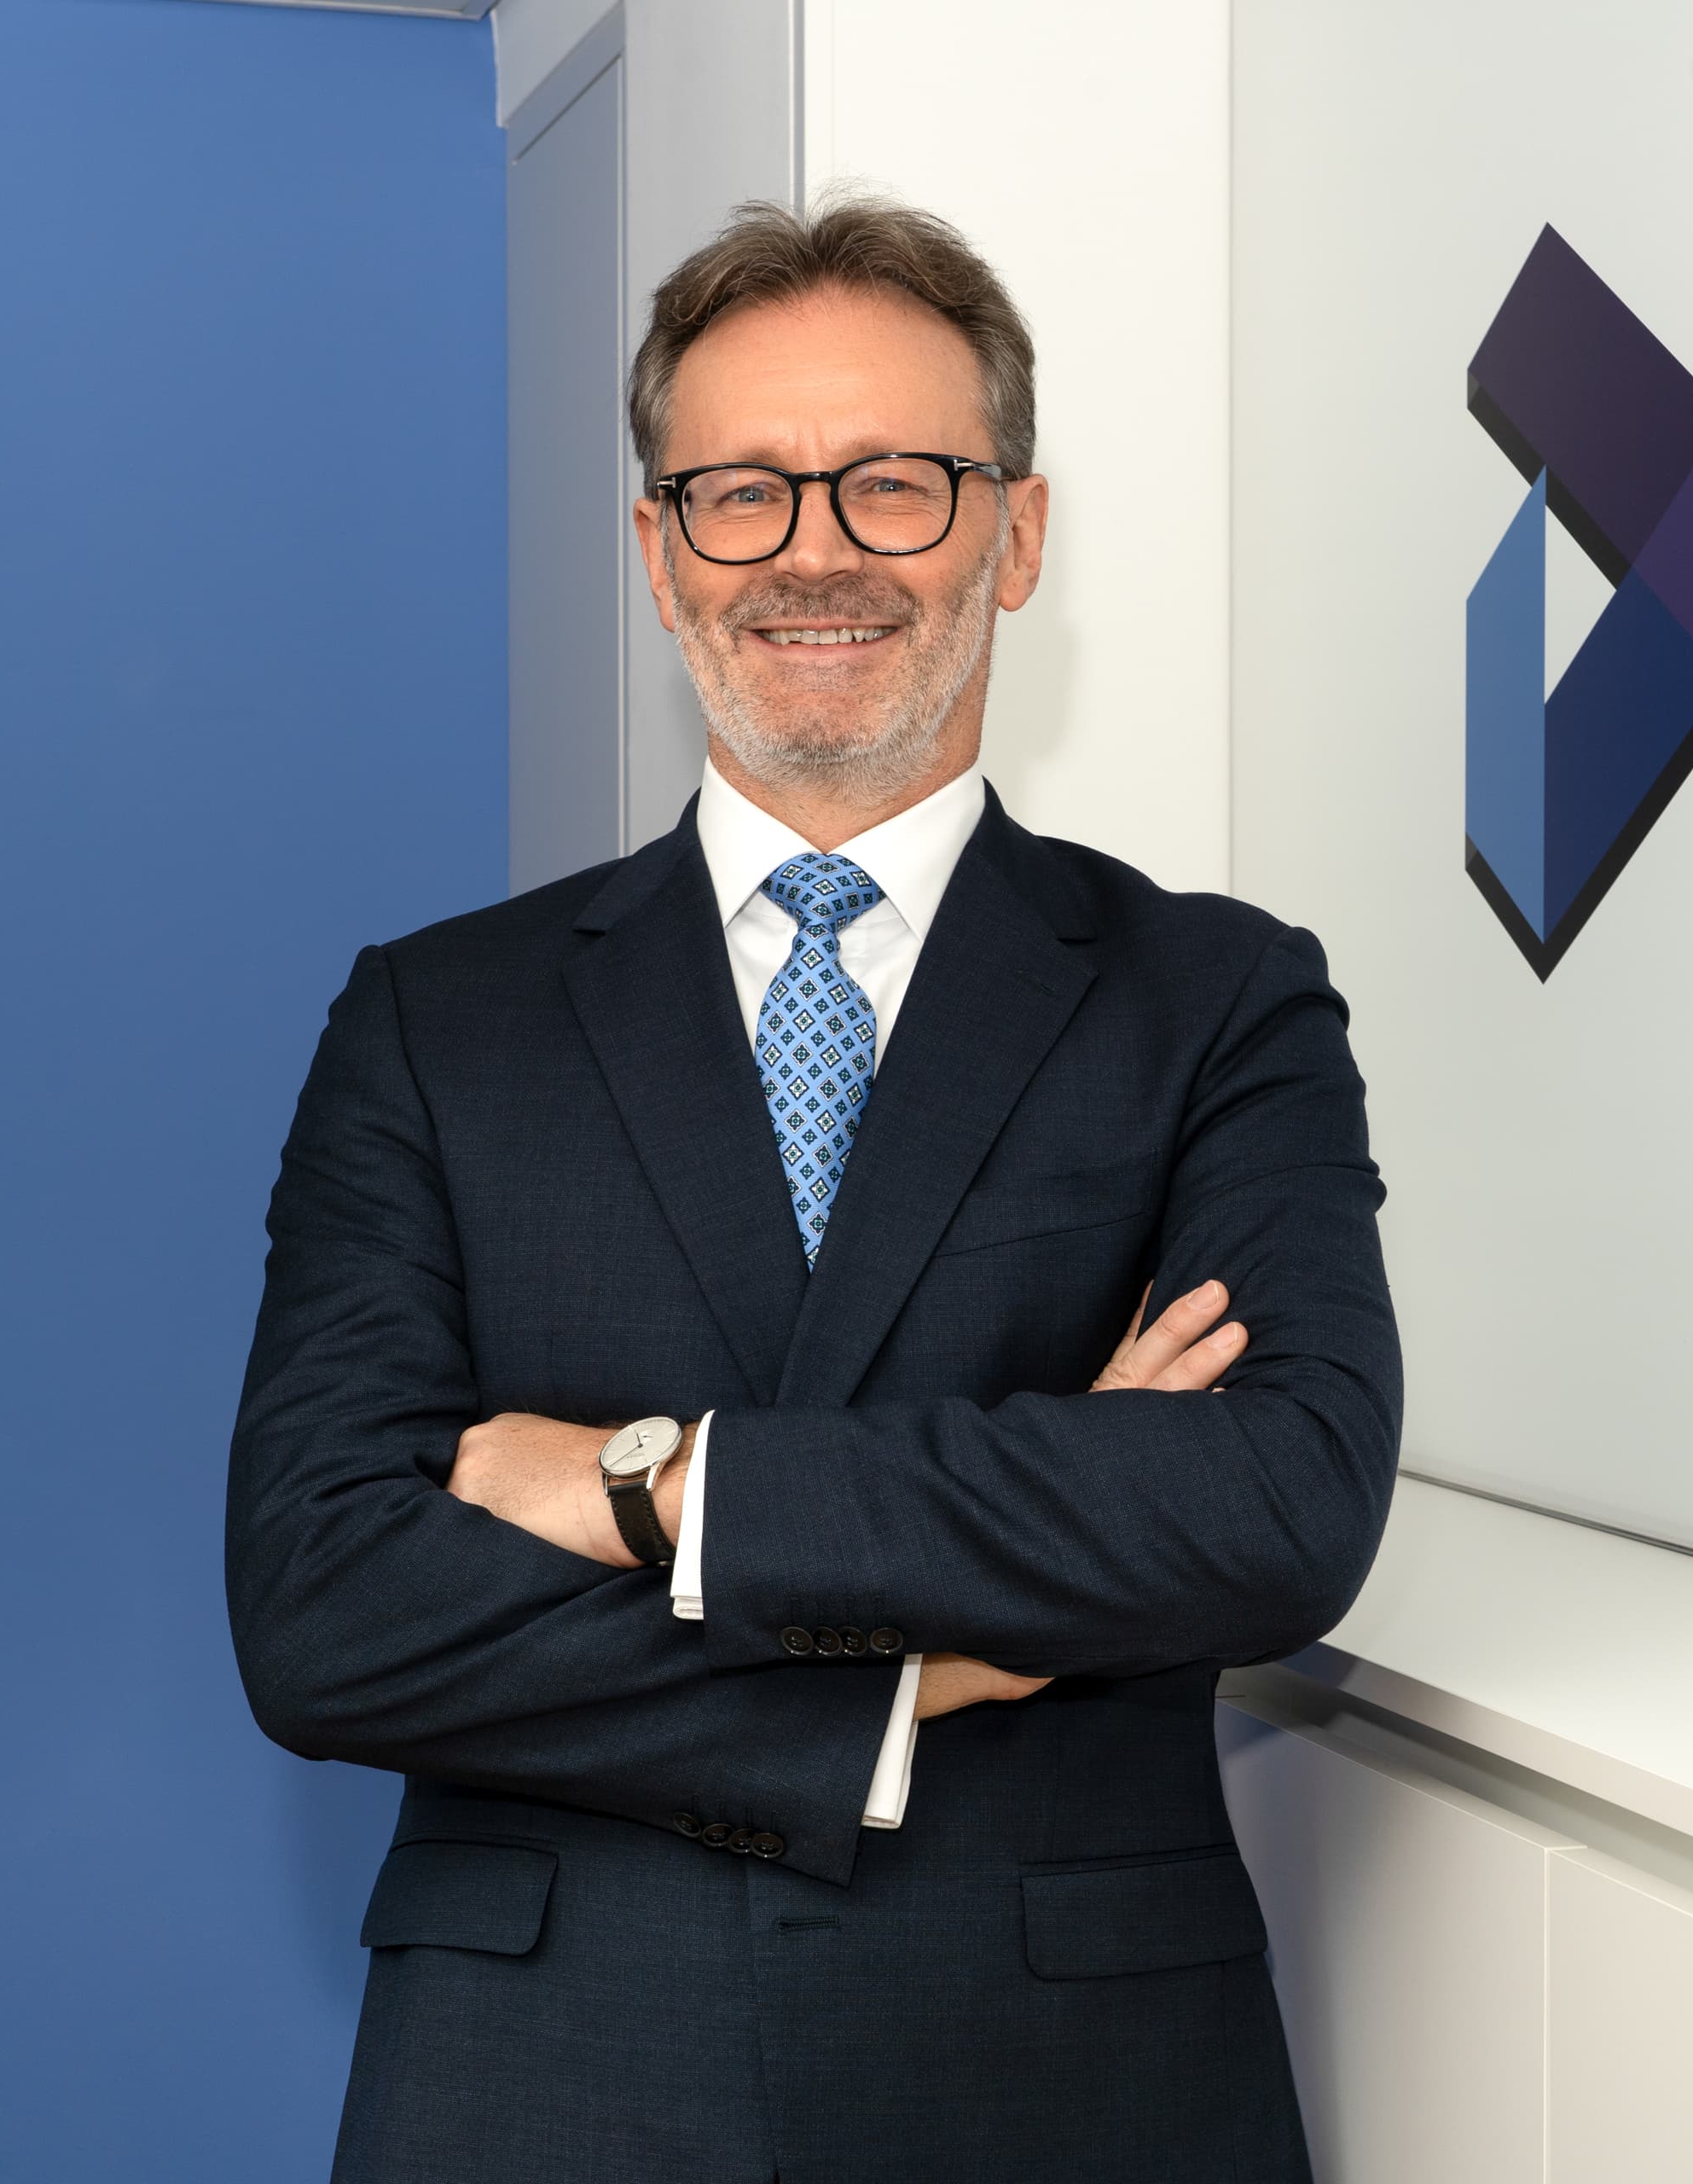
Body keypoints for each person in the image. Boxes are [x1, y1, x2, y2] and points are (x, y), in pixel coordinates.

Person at [228, 195, 1400, 2184]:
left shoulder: (1215, 998)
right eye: (741, 494)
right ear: (660, 553)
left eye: (896, 483)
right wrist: (920, 1673)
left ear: (1017, 534)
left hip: (1071, 2090)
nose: (817, 551)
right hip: (546, 2081)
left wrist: (652, 1485)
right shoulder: (438, 1021)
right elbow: (327, 1607)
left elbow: (1273, 1502)